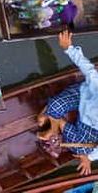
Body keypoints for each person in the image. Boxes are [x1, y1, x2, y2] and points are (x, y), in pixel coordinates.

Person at [37, 29, 97, 176]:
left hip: (90, 126)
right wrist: (68, 48)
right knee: (56, 105)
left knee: (81, 150)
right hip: (83, 94)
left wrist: (87, 158)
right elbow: (89, 70)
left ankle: (55, 125)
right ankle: (54, 127)